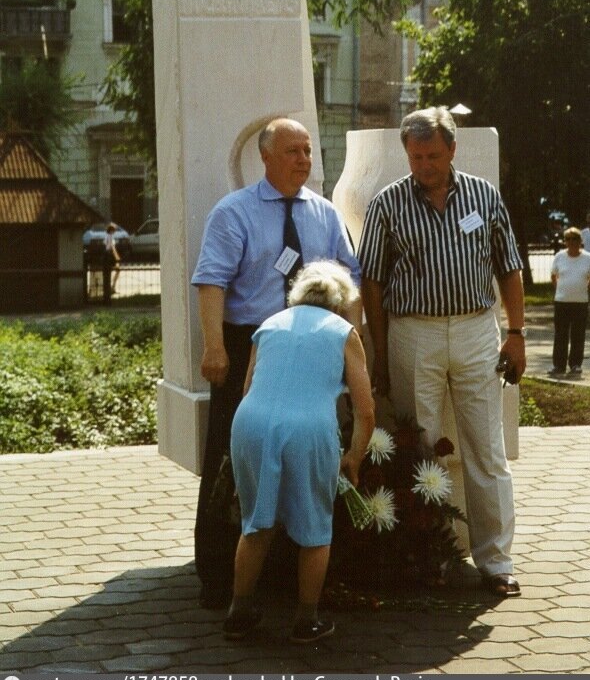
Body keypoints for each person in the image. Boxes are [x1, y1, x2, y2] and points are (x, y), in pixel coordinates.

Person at [191, 117, 361, 608]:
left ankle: (287, 572)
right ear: (265, 157)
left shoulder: (325, 214)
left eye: (308, 151)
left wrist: (353, 345)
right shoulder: (234, 212)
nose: (303, 160)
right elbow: (211, 280)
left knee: (303, 455)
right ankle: (218, 575)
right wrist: (214, 347)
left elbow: (350, 279)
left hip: (311, 347)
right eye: (292, 151)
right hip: (251, 343)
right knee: (231, 457)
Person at [358, 106, 526, 598]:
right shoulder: (388, 203)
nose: (424, 166)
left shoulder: (483, 195)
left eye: (433, 155)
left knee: (486, 449)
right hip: (414, 332)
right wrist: (381, 351)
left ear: (452, 149)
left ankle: (496, 561)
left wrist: (516, 333)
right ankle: (429, 558)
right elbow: (372, 282)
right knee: (421, 449)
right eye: (415, 157)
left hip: (476, 330)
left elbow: (509, 266)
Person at [222, 261, 374, 643]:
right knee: (315, 527)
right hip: (308, 429)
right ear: (339, 303)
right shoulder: (343, 332)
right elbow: (365, 410)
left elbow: (247, 388)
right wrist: (354, 458)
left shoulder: (269, 325)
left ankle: (239, 612)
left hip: (251, 423)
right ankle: (307, 621)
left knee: (256, 523)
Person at [548, 226, 590, 378]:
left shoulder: (587, 258)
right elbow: (554, 276)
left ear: (580, 241)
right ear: (565, 241)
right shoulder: (559, 256)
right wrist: (561, 289)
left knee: (578, 335)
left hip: (580, 302)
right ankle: (558, 366)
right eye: (568, 239)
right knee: (561, 335)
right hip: (562, 302)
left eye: (575, 239)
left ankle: (575, 365)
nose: (571, 242)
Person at [103, 223, 121, 299]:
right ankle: (112, 287)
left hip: (107, 254)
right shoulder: (110, 236)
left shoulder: (106, 236)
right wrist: (117, 256)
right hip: (110, 254)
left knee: (111, 271)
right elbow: (112, 247)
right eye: (114, 230)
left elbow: (105, 245)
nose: (115, 231)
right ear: (111, 230)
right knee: (117, 270)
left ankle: (112, 287)